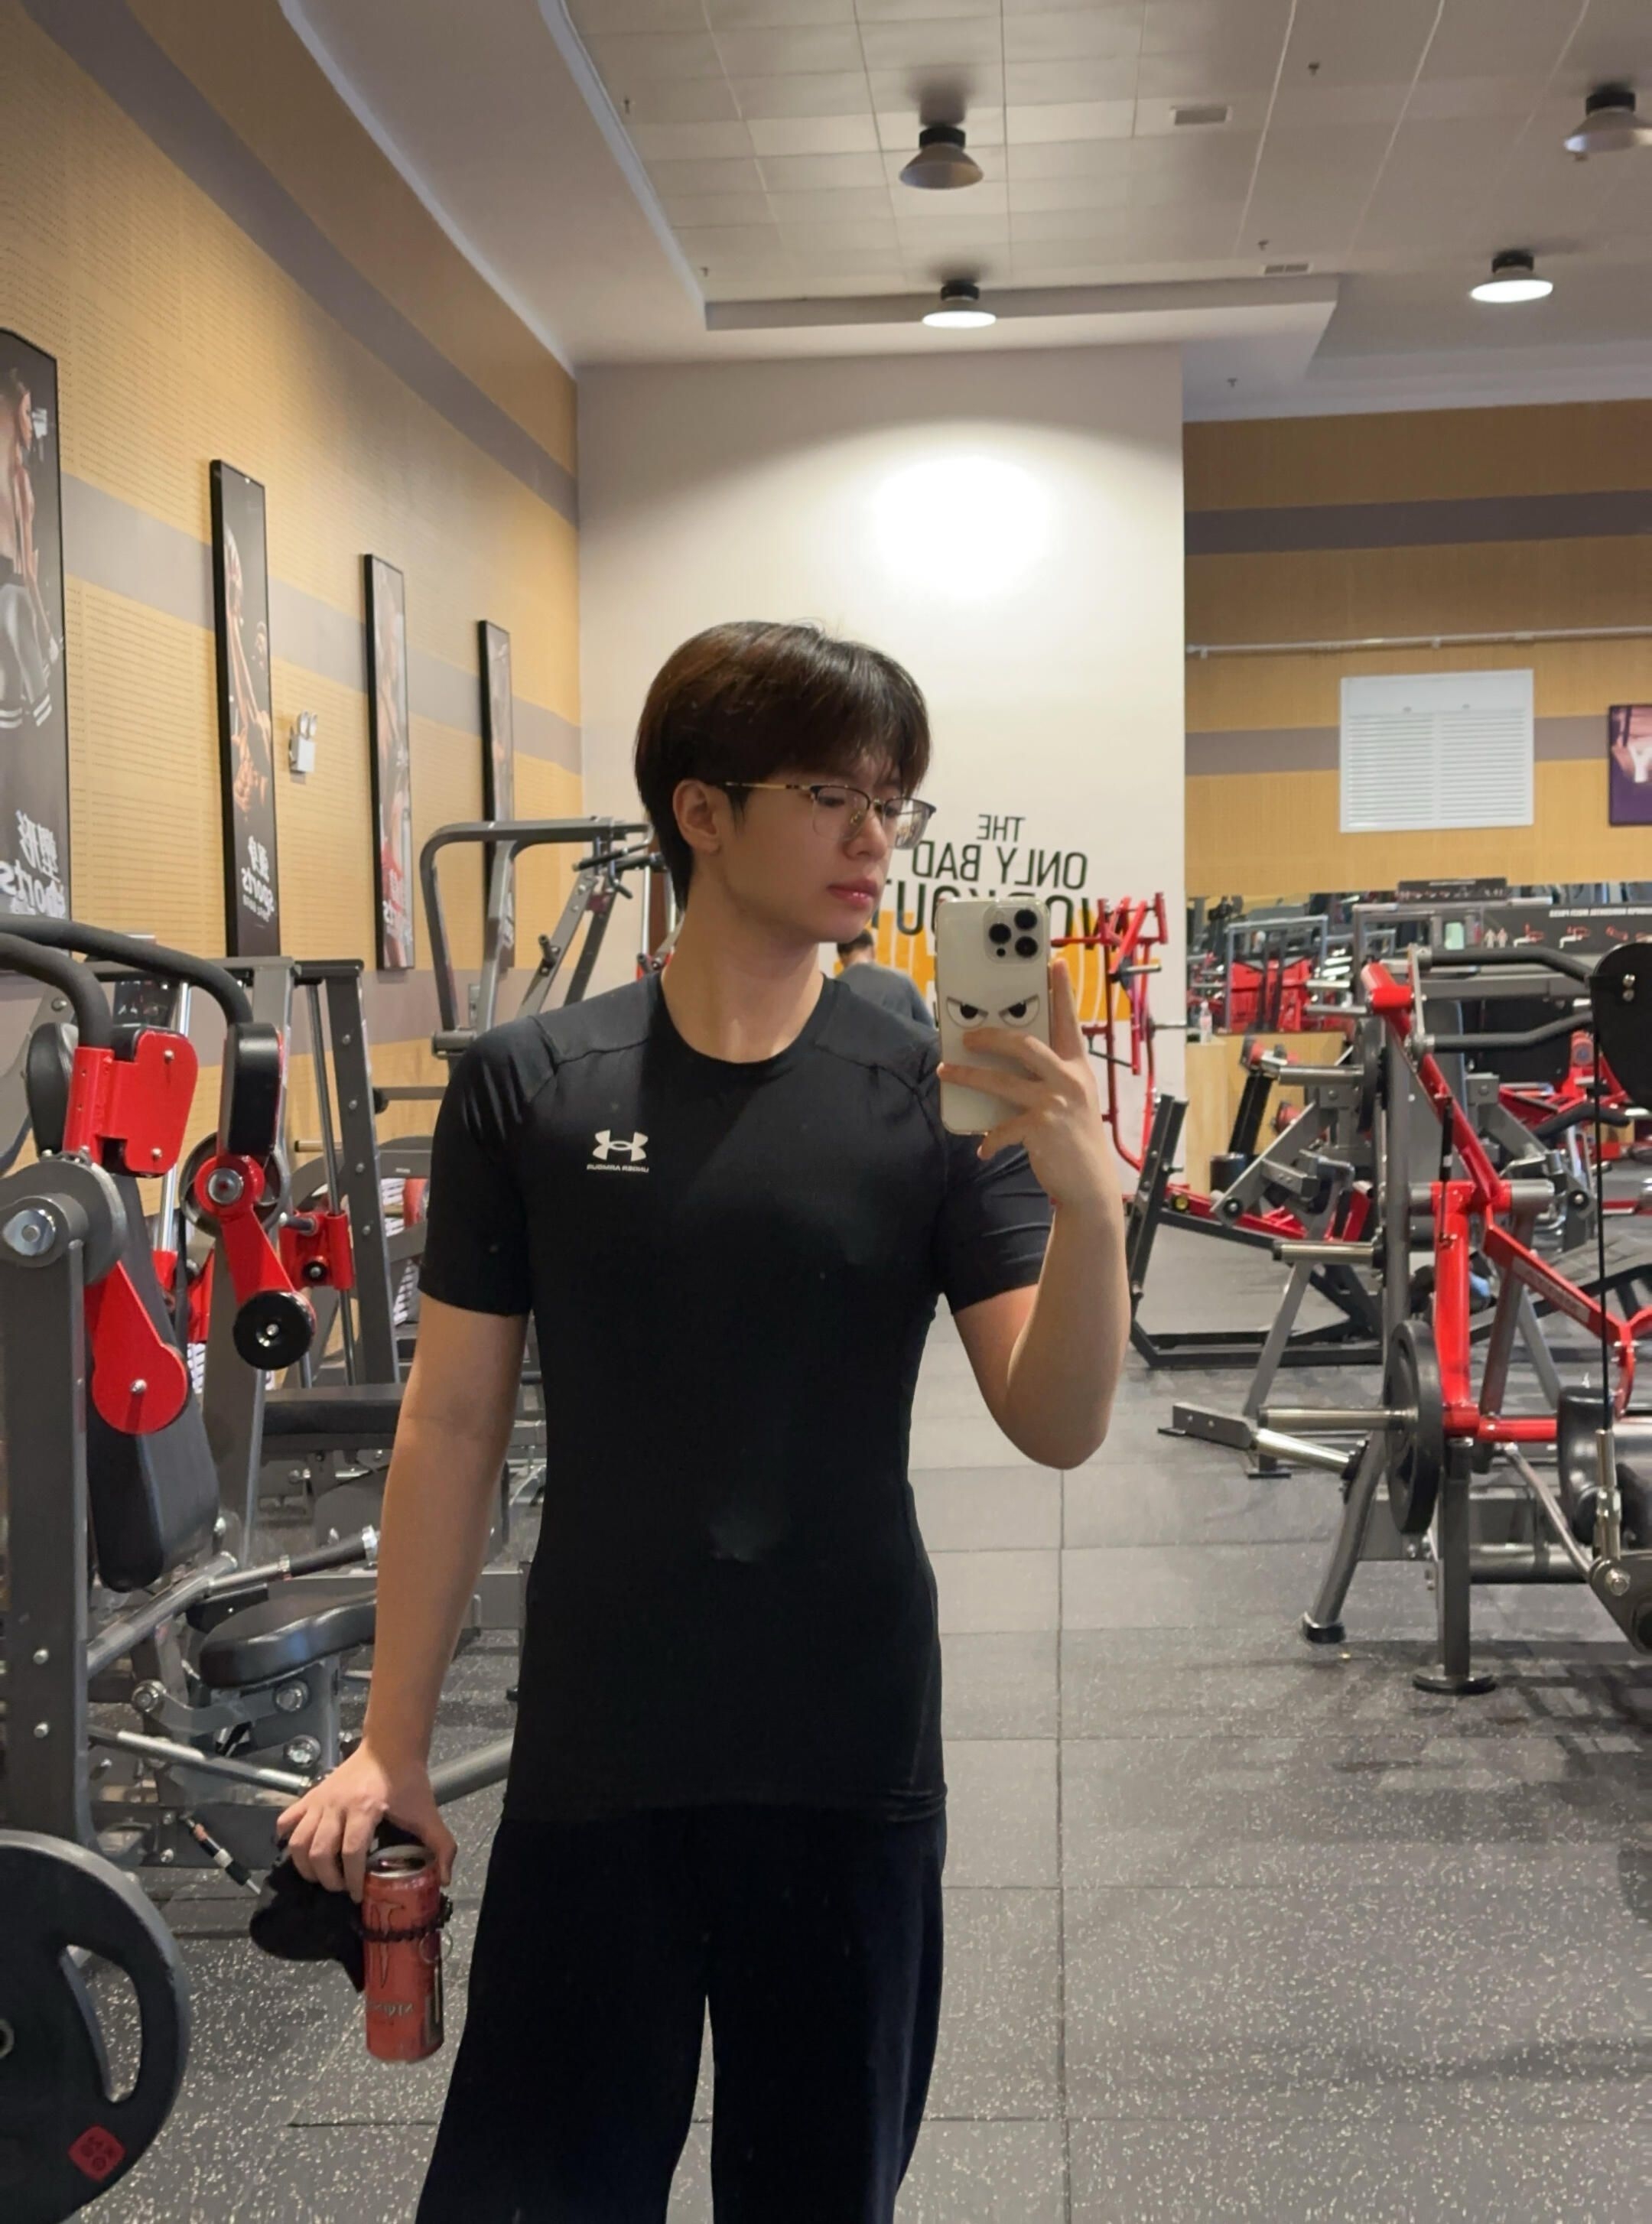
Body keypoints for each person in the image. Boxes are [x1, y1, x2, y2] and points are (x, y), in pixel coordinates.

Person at [275, 619, 1130, 2223]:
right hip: (603, 1738)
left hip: (849, 1739)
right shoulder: (530, 1084)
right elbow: (449, 1427)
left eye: (895, 801)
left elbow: (1058, 1420)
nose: (877, 837)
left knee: (819, 2194)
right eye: (834, 795)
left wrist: (1091, 1209)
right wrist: (395, 1738)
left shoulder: (935, 1080)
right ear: (703, 811)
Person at [835, 925, 935, 1029]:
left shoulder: (834, 989)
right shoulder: (902, 981)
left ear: (841, 957)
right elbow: (927, 1027)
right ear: (873, 950)